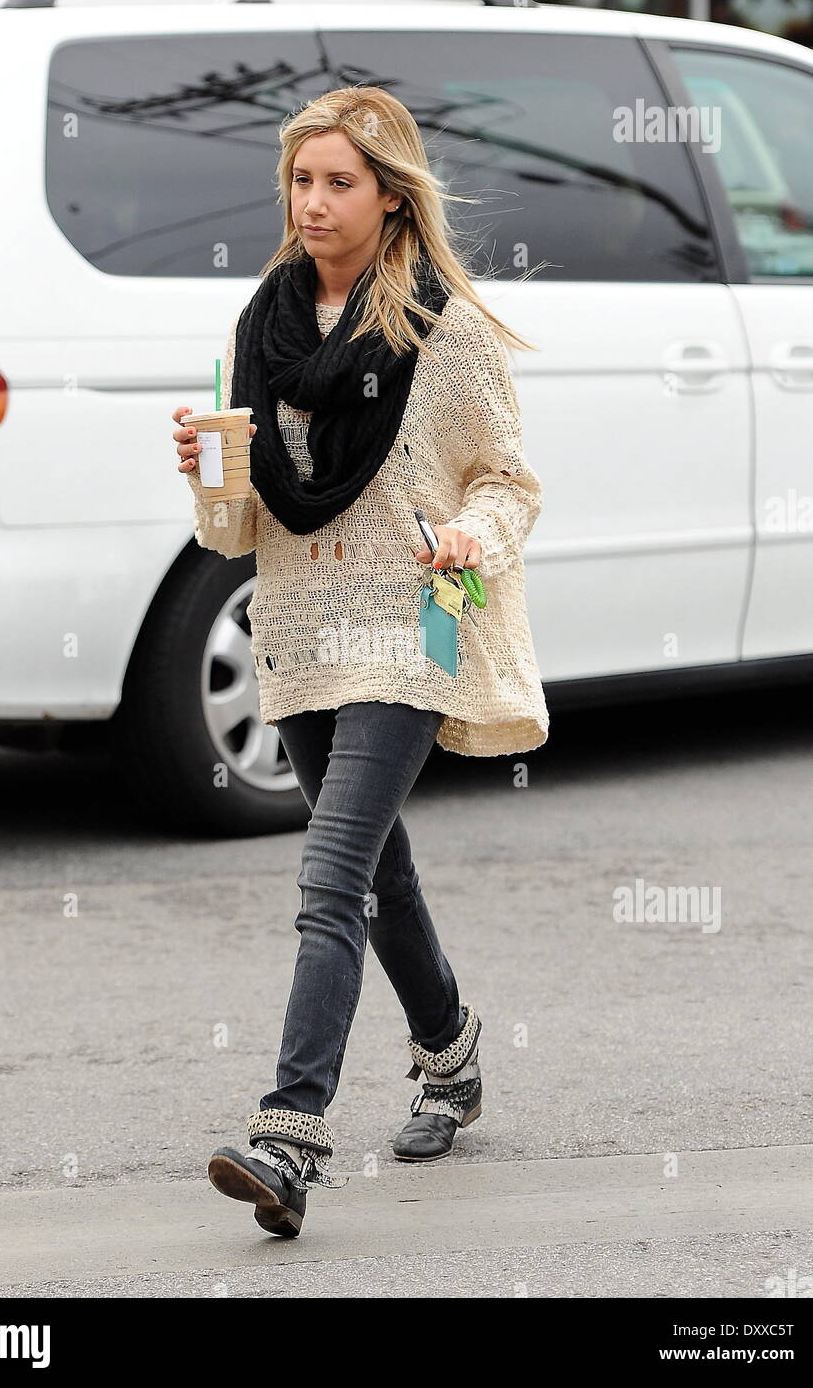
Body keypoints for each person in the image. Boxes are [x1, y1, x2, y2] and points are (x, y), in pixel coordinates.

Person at [171, 85, 549, 1238]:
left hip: (411, 623)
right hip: (298, 627)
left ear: (392, 195)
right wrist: (204, 465)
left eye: (341, 181)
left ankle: (290, 1133)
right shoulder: (264, 326)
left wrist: (474, 533)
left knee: (330, 873)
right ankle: (451, 1051)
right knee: (380, 872)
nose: (316, 202)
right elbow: (238, 530)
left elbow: (509, 480)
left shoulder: (448, 330)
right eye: (301, 180)